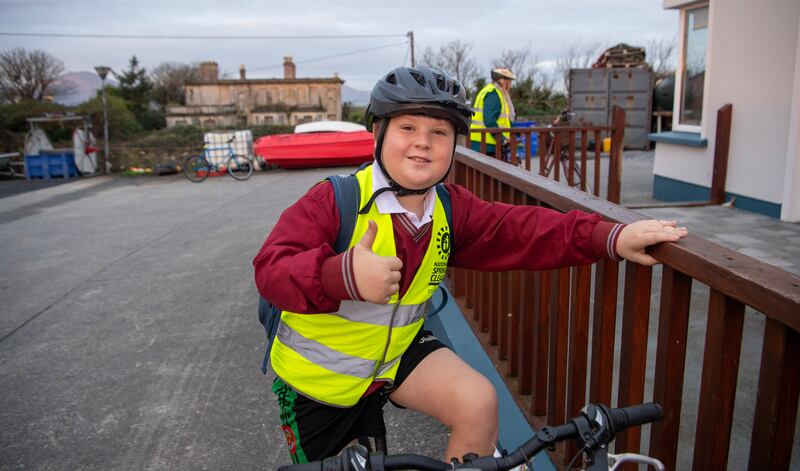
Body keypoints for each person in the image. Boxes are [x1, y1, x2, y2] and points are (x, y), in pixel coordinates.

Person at [252, 65, 687, 465]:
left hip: (395, 356)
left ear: (454, 145)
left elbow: (522, 229)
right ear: (377, 135)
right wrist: (341, 275)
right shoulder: (336, 200)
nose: (423, 141)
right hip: (319, 385)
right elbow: (271, 269)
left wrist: (610, 236)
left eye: (440, 132)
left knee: (478, 401)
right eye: (407, 127)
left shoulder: (448, 208)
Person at [470, 67, 517, 159]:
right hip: (486, 144)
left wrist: (514, 132)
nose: (510, 85)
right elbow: (490, 120)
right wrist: (502, 139)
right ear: (503, 81)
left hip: (485, 142)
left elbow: (503, 119)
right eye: (509, 81)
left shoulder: (496, 92)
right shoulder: (493, 94)